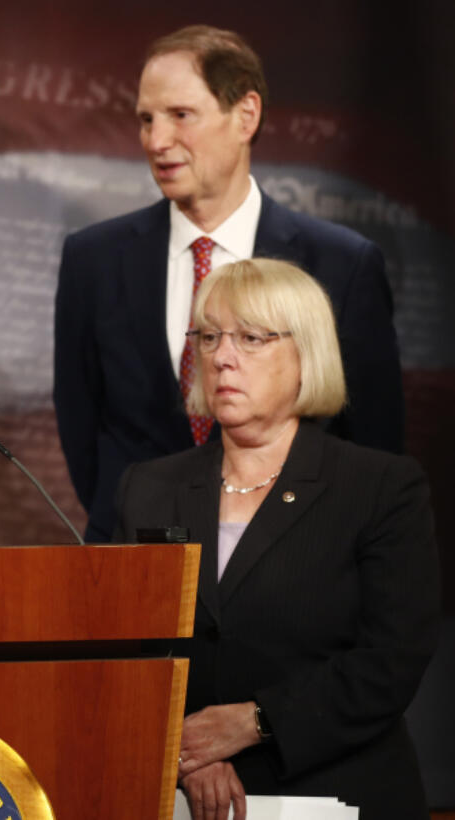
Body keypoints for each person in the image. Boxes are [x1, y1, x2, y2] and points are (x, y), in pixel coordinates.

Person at [113, 259, 439, 820]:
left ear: (305, 353)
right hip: (183, 792)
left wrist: (253, 722)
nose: (222, 357)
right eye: (209, 337)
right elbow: (123, 649)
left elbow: (391, 659)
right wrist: (192, 753)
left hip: (335, 790)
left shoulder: (380, 487)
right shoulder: (148, 486)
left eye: (252, 338)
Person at [54, 24, 404, 542]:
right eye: (146, 119)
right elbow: (80, 427)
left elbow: (374, 451)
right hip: (133, 567)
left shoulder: (340, 266)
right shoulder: (93, 259)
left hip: (291, 573)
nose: (156, 140)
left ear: (246, 115)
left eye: (180, 116)